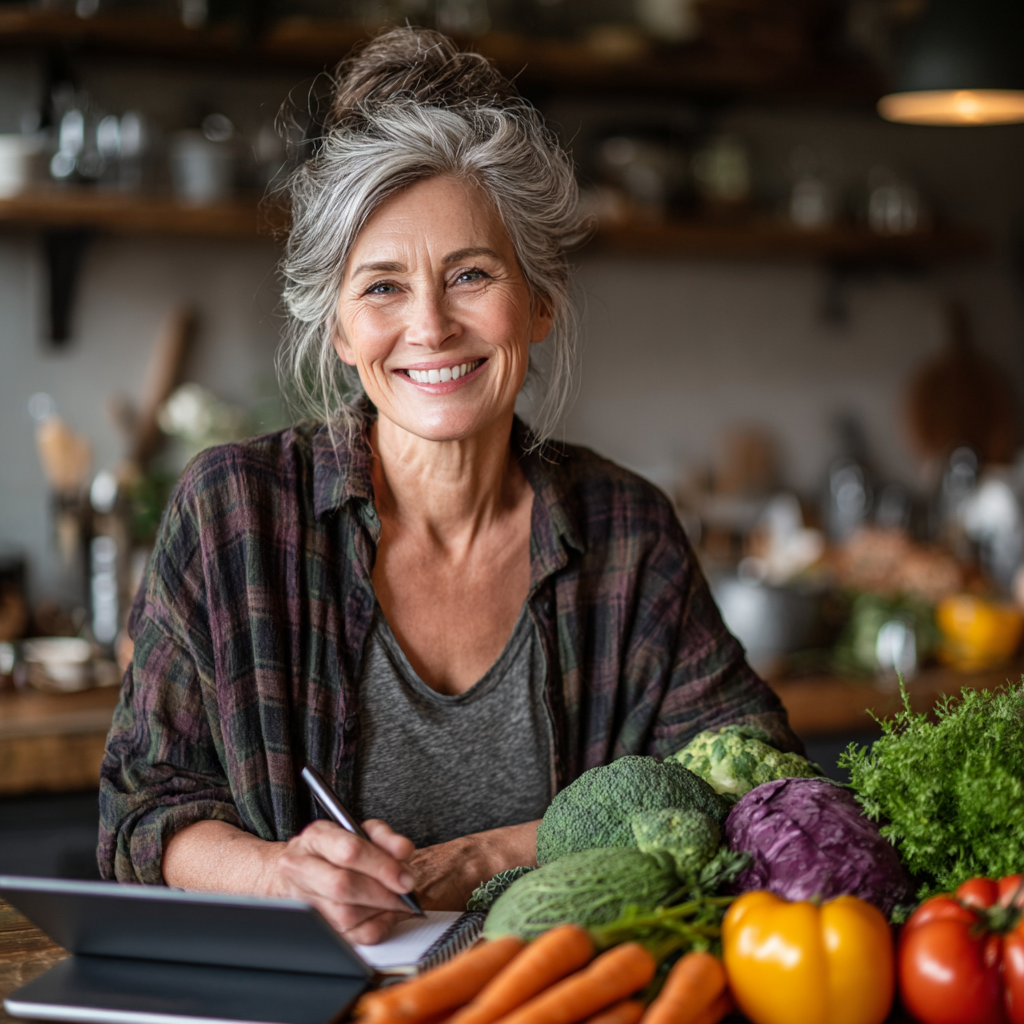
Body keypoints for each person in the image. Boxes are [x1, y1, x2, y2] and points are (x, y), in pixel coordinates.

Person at [98, 27, 800, 945]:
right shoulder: (234, 511)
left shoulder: (627, 531)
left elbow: (757, 780)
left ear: (538, 301)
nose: (429, 327)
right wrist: (278, 874)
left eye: (470, 274)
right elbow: (142, 812)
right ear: (341, 328)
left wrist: (481, 859)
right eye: (382, 287)